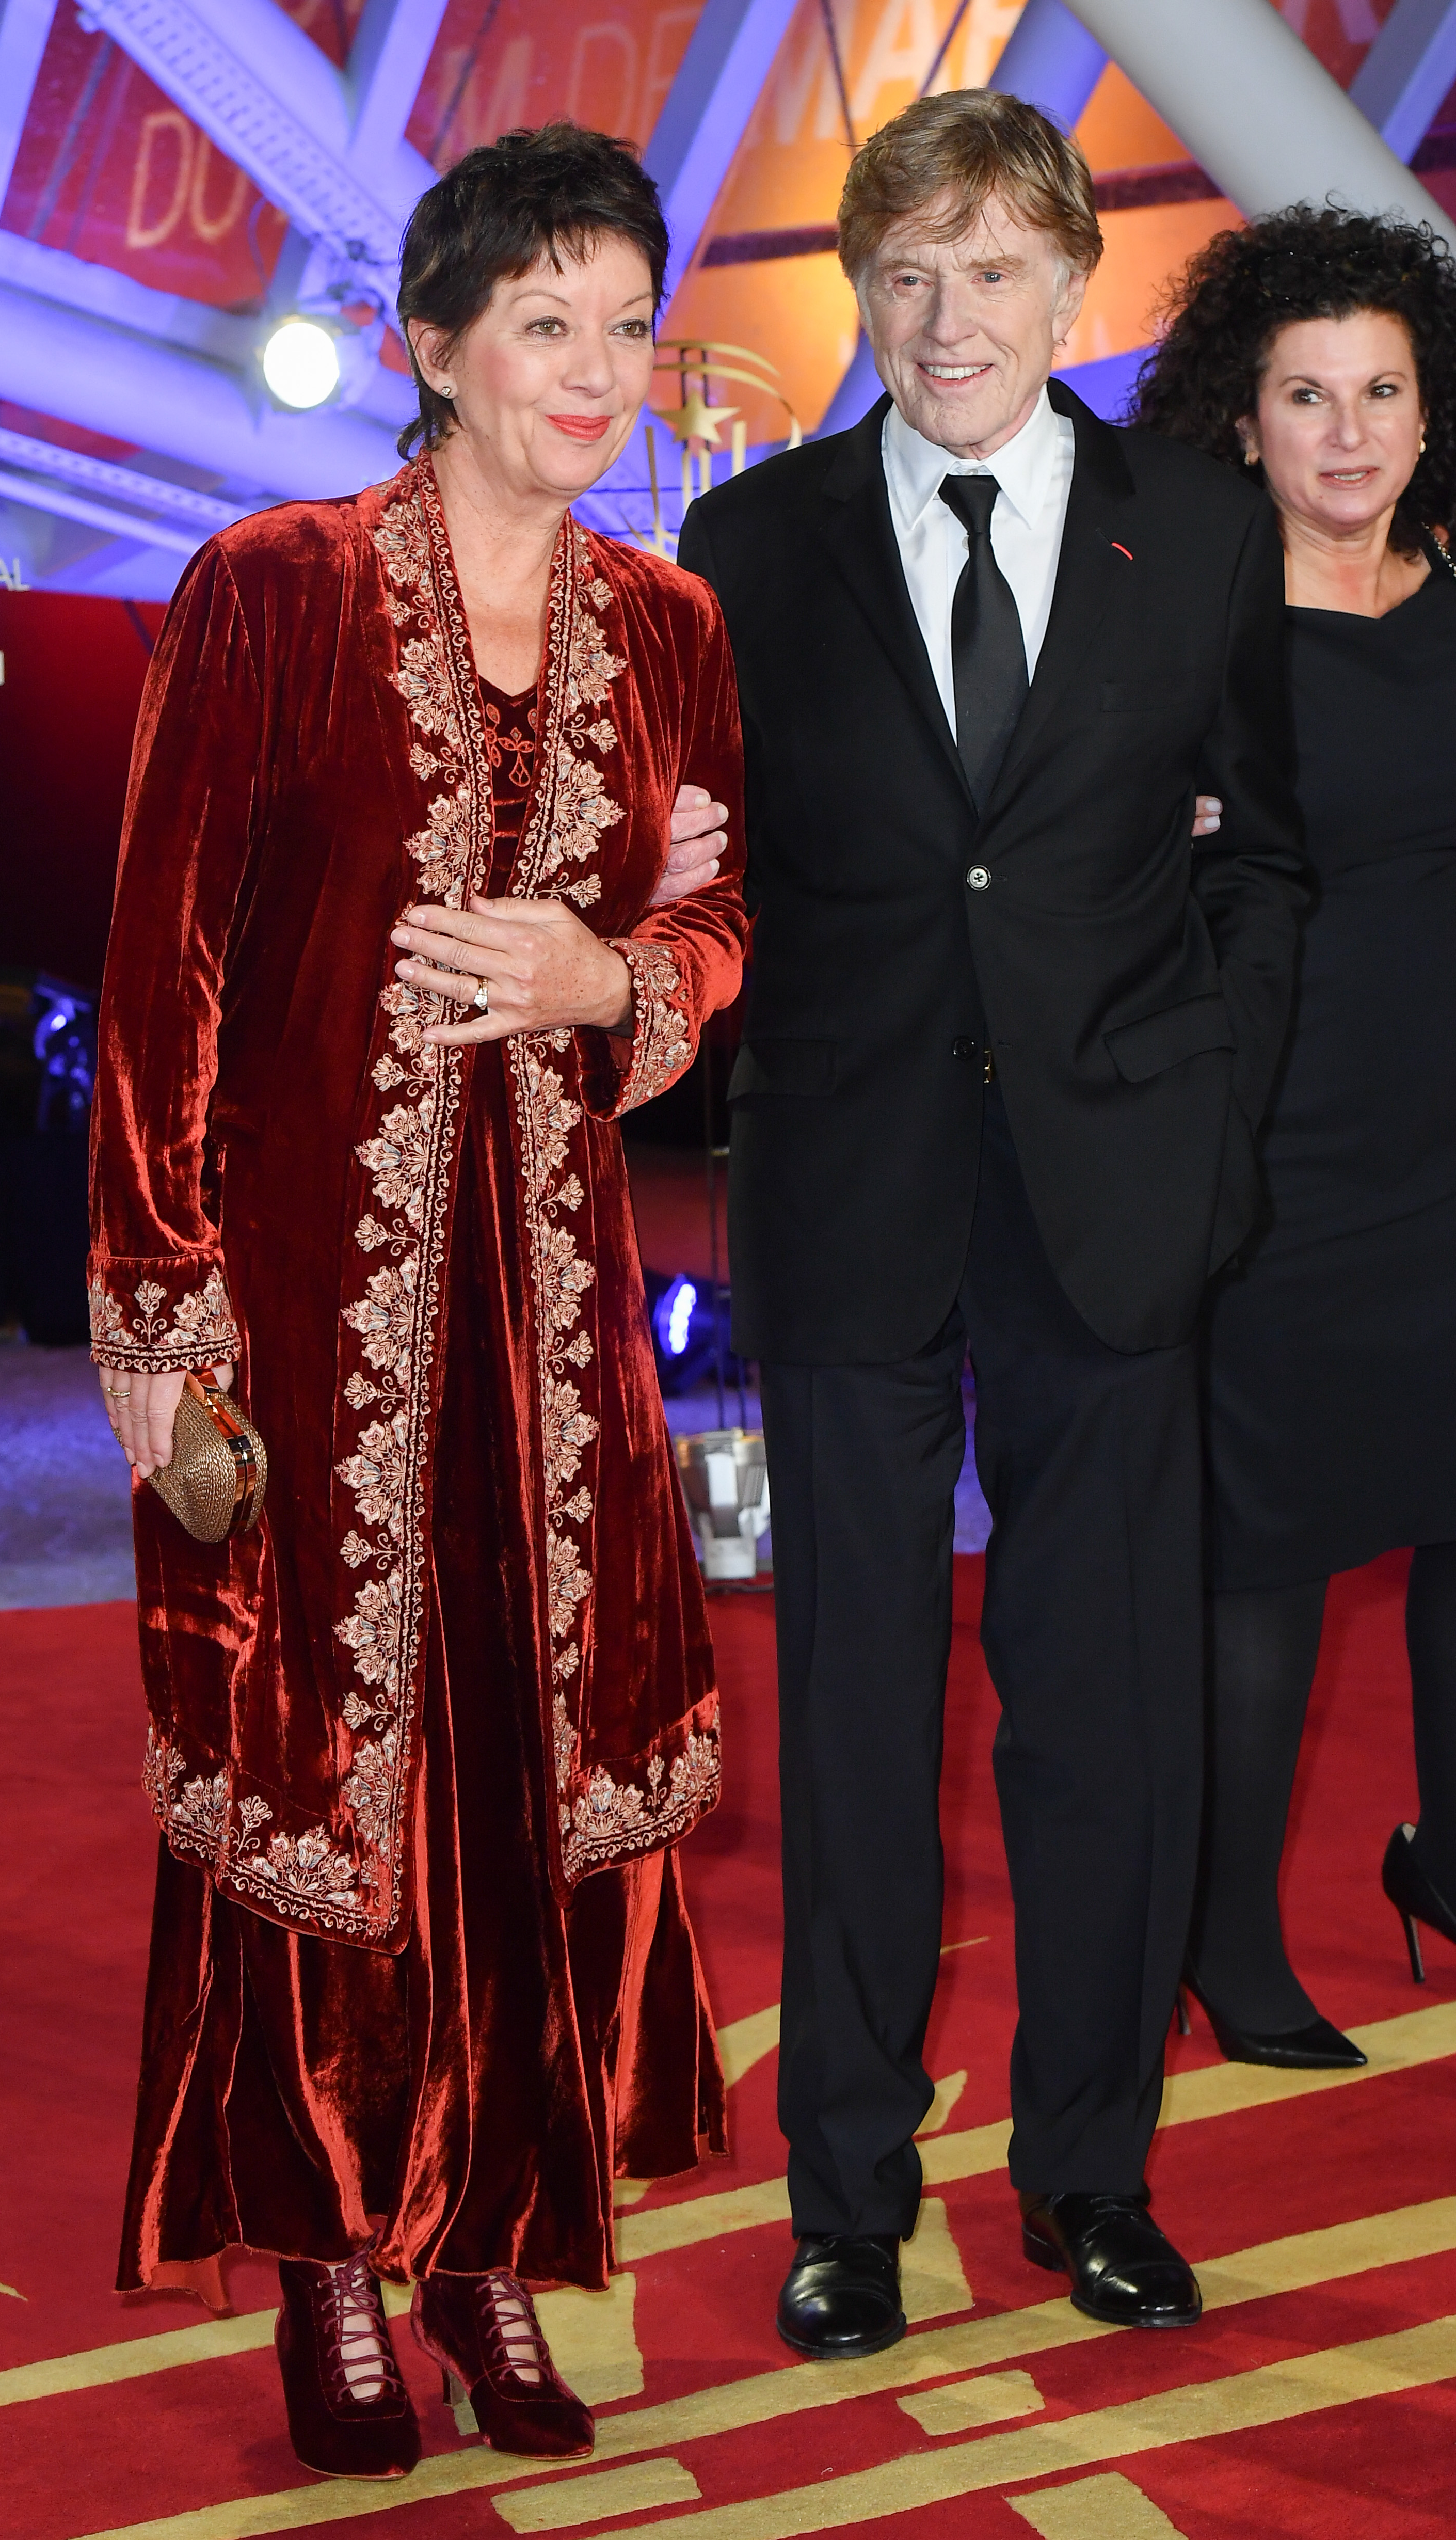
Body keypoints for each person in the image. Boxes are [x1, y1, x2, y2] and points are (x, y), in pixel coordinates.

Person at [87, 123, 748, 2482]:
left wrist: (613, 978)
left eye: (624, 328)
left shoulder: (668, 632)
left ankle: (489, 2245)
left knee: (519, 1796)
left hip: (558, 1343)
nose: (594, 375)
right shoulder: (265, 587)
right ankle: (343, 2272)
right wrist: (164, 1328)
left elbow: (715, 933)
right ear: (433, 347)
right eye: (544, 325)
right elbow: (159, 968)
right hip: (303, 1307)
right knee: (326, 1796)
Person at [675, 89, 1306, 2352]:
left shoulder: (1202, 534)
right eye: (907, 274)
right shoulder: (745, 550)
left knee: (1103, 1714)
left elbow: (1257, 861)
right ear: (862, 291)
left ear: (1076, 289)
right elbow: (703, 877)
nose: (950, 320)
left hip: (1117, 1202)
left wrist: (1210, 1114)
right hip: (849, 1197)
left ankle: (1091, 2173)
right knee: (852, 1711)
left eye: (994, 272)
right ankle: (844, 2195)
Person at [1134, 209, 1456, 2066]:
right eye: (1307, 395)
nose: (1349, 434)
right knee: (1262, 1560)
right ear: (1241, 420)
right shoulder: (1195, 619)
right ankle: (1224, 1936)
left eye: (1384, 392)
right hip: (1282, 1156)